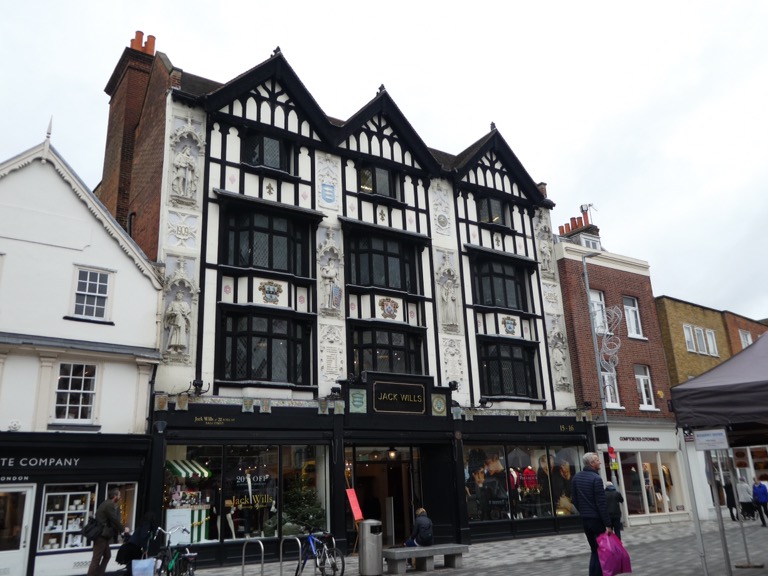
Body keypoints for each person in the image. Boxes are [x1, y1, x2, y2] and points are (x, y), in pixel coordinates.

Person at [571, 452, 613, 576]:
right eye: (597, 460)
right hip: (597, 520)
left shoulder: (576, 478)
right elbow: (601, 504)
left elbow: (574, 500)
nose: (600, 462)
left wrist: (583, 511)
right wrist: (608, 524)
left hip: (585, 520)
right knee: (601, 551)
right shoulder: (596, 479)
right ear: (591, 463)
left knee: (594, 550)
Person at [87, 487, 130, 576]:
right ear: (115, 496)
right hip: (101, 535)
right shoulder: (109, 505)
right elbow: (114, 519)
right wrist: (123, 529)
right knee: (96, 559)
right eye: (119, 495)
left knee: (107, 556)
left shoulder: (106, 503)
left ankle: (100, 574)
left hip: (104, 535)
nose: (120, 497)